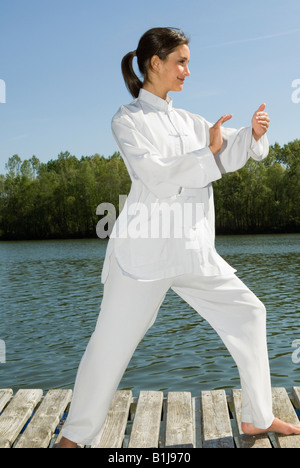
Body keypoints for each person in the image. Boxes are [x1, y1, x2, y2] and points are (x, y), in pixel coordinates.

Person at [58, 27, 300, 447]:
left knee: (250, 313)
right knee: (109, 346)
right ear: (156, 63)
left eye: (188, 61)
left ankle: (257, 417)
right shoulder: (127, 119)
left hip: (192, 250)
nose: (188, 70)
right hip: (144, 256)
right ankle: (75, 438)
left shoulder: (191, 121)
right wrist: (207, 152)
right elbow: (157, 176)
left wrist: (253, 135)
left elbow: (224, 151)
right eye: (181, 61)